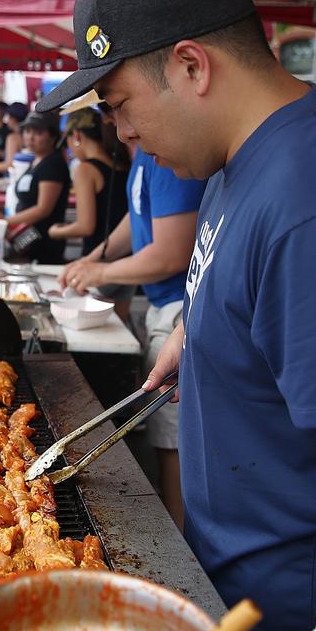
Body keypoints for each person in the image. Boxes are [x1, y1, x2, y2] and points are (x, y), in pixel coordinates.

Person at [38, 0, 316, 631]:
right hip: (223, 578)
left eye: (121, 106)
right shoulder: (229, 160)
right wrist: (196, 331)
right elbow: (234, 278)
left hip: (291, 602)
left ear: (192, 66)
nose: (121, 134)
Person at [59, 147, 204, 528]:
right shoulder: (144, 157)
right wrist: (94, 259)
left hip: (178, 309)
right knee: (164, 441)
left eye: (120, 105)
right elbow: (137, 218)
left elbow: (169, 254)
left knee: (174, 446)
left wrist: (101, 272)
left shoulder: (169, 155)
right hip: (164, 310)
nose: (120, 128)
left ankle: (181, 547)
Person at [48, 107, 129, 260]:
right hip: (125, 255)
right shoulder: (122, 163)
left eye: (68, 142)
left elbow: (85, 226)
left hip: (97, 257)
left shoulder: (85, 170)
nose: (70, 149)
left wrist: (55, 231)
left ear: (77, 135)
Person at [5, 110, 70, 264]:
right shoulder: (37, 160)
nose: (30, 137)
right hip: (28, 237)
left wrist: (7, 221)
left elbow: (43, 209)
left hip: (43, 242)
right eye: (27, 131)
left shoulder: (53, 164)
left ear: (53, 136)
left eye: (38, 132)